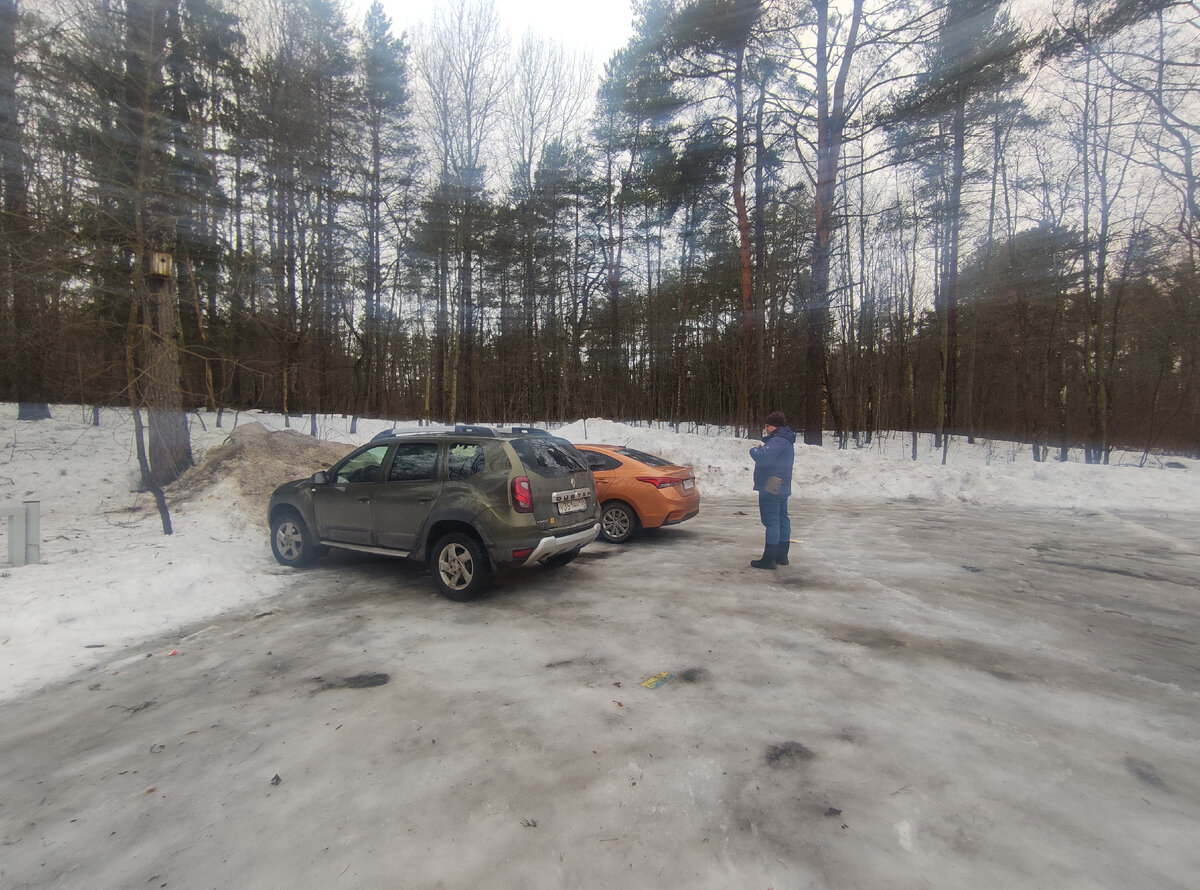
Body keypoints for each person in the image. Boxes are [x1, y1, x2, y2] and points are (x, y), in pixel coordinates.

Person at [749, 410, 795, 570]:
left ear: (773, 426)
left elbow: (763, 458)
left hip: (771, 485)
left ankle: (769, 559)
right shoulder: (786, 440)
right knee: (782, 519)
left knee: (771, 522)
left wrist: (754, 450)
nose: (766, 429)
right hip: (783, 484)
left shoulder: (778, 441)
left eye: (767, 426)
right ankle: (782, 556)